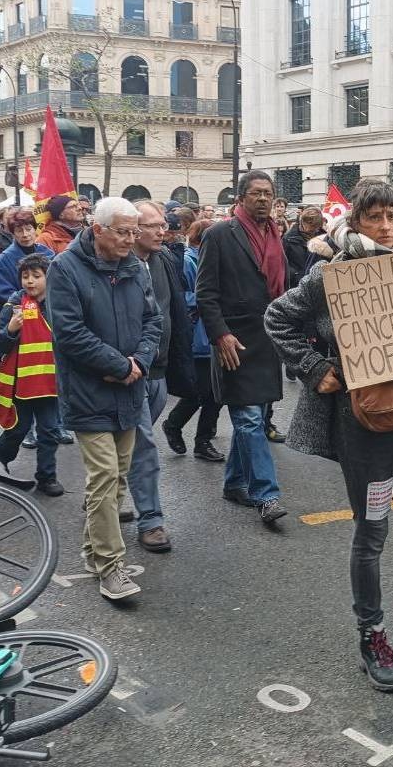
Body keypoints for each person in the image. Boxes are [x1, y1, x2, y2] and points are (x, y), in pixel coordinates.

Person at [266, 181, 393, 692]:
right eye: (374, 217)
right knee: (372, 532)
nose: (387, 226)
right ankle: (371, 632)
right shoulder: (331, 275)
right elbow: (277, 318)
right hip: (366, 424)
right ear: (356, 222)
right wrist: (314, 367)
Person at [48, 196, 162, 601]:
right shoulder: (64, 268)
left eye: (136, 231)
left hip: (129, 387)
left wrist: (140, 361)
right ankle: (111, 566)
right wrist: (119, 364)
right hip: (89, 390)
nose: (132, 240)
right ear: (97, 229)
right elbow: (69, 333)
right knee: (104, 477)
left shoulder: (137, 267)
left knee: (116, 481)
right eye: (125, 232)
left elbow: (153, 320)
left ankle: (94, 552)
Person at [197, 170, 289, 524]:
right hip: (233, 342)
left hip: (267, 338)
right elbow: (206, 293)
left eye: (268, 193)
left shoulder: (276, 234)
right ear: (241, 198)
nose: (263, 199)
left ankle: (235, 482)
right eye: (256, 193)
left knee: (255, 415)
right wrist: (219, 335)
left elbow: (284, 287)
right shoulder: (220, 234)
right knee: (249, 418)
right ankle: (267, 495)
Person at [126, 200, 196, 554]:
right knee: (143, 445)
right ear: (132, 230)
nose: (162, 230)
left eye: (163, 224)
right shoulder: (116, 266)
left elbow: (174, 311)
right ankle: (151, 520)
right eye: (153, 225)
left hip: (161, 369)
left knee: (128, 442)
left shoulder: (165, 259)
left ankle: (104, 494)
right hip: (130, 372)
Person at [0, 253, 64, 496]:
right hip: (22, 384)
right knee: (17, 430)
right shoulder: (14, 305)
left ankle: (46, 477)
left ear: (47, 277)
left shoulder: (60, 302)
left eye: (36, 276)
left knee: (50, 431)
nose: (30, 281)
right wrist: (11, 330)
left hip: (51, 383)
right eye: (25, 276)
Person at [162, 219, 224, 461]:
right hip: (198, 336)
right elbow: (180, 297)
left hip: (215, 333)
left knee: (217, 393)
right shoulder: (188, 260)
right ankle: (174, 424)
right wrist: (207, 296)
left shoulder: (213, 258)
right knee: (199, 391)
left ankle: (203, 440)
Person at [0, 209, 56, 303]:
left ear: (35, 229)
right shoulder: (4, 259)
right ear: (13, 234)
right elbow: (3, 292)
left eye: (28, 229)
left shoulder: (48, 253)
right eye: (19, 231)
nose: (25, 235)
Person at [282, 205, 323, 290]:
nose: (314, 230)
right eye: (312, 228)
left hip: (317, 284)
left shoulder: (323, 237)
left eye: (316, 228)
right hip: (297, 285)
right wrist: (295, 275)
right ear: (303, 222)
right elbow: (282, 263)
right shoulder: (288, 239)